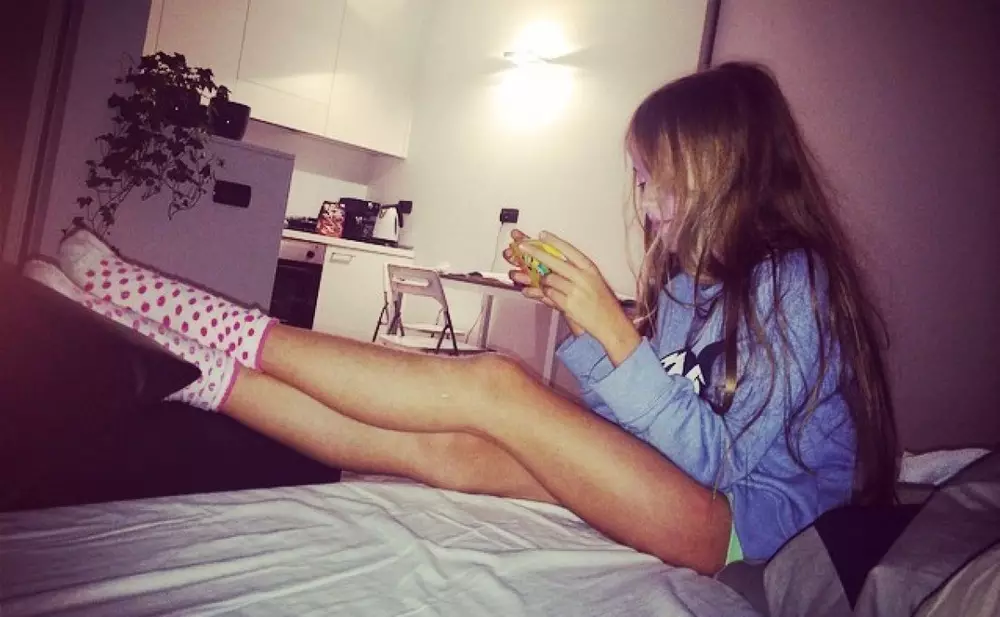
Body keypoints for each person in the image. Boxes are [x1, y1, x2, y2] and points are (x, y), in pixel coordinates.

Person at [26, 62, 898, 575]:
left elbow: (716, 465)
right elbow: (647, 425)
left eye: (656, 178)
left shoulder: (795, 283)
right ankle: (185, 364)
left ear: (723, 171)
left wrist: (614, 331)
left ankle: (140, 293)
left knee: (495, 384)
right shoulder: (683, 289)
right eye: (639, 179)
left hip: (738, 529)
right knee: (448, 447)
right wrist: (591, 331)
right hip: (683, 494)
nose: (644, 202)